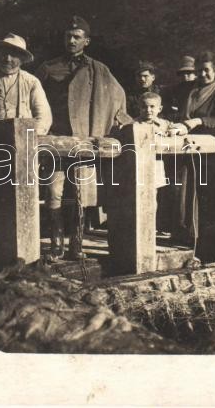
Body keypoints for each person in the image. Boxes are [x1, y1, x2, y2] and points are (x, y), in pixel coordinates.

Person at [35, 15, 131, 260]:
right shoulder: (48, 68)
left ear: (86, 41)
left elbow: (117, 99)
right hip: (55, 142)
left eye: (77, 37)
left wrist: (121, 125)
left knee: (80, 193)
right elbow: (33, 99)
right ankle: (56, 244)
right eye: (68, 36)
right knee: (53, 193)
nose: (72, 41)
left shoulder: (98, 70)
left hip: (84, 142)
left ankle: (76, 244)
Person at [171, 51, 215, 246]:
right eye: (199, 71)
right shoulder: (190, 89)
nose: (202, 74)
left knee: (201, 191)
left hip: (207, 150)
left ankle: (199, 237)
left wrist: (195, 121)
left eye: (206, 70)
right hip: (185, 145)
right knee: (182, 190)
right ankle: (181, 232)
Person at [0, 33, 52, 135]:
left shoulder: (31, 82)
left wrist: (28, 136)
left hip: (23, 137)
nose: (8, 59)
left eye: (13, 55)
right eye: (4, 53)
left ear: (22, 59)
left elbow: (44, 118)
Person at [161, 55, 197, 122]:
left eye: (189, 73)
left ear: (196, 75)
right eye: (182, 73)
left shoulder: (200, 90)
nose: (185, 76)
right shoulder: (174, 90)